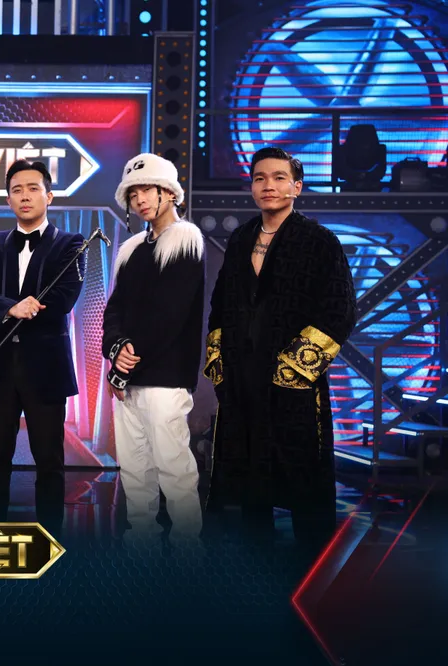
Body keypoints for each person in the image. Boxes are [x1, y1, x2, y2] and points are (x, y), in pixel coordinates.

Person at [204, 146, 356, 546]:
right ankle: (254, 555)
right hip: (241, 373)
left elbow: (339, 310)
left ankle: (312, 561)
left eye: (278, 177)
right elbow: (220, 304)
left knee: (302, 468)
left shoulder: (320, 241)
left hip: (292, 378)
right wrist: (219, 362)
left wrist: (294, 369)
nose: (268, 185)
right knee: (246, 474)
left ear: (297, 187)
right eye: (259, 178)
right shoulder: (241, 239)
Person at [0, 160, 86, 534]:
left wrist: (8, 306)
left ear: (49, 196)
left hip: (46, 367)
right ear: (8, 200)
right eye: (17, 190)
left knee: (49, 461)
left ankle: (51, 541)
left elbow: (63, 299)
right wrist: (10, 307)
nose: (25, 196)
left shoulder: (71, 243)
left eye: (33, 188)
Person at [102, 153, 205, 547]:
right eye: (132, 194)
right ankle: (139, 547)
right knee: (134, 470)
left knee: (174, 470)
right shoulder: (131, 249)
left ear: (169, 192)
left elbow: (170, 314)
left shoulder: (186, 238)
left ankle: (187, 552)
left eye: (146, 190)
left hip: (165, 376)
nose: (139, 199)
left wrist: (126, 360)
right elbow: (114, 310)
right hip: (128, 377)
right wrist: (116, 350)